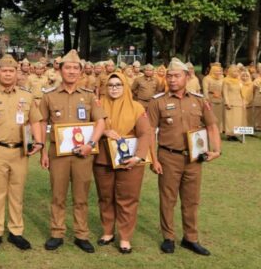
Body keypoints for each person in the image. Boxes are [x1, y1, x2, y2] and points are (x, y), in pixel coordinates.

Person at [147, 58, 221, 256]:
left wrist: (217, 150)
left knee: (191, 200)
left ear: (187, 77)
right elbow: (149, 132)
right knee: (168, 199)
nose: (172, 80)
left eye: (176, 76)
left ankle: (191, 238)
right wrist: (153, 159)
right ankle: (168, 237)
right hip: (168, 156)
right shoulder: (158, 101)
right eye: (169, 76)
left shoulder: (199, 100)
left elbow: (212, 125)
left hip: (195, 159)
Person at [38, 49, 106, 253]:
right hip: (57, 155)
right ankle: (57, 232)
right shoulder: (49, 96)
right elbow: (42, 123)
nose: (71, 71)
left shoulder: (89, 96)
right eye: (67, 67)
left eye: (76, 68)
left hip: (83, 155)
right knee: (58, 196)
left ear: (81, 72)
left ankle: (81, 234)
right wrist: (42, 151)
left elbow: (100, 122)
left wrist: (91, 144)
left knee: (81, 196)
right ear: (60, 70)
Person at [0, 54, 43, 250]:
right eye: (4, 70)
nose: (7, 74)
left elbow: (35, 121)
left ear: (16, 73)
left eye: (11, 71)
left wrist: (38, 142)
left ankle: (16, 231)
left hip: (20, 151)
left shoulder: (26, 95)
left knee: (17, 192)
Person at [93, 72, 151, 254]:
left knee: (127, 199)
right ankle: (108, 232)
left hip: (129, 160)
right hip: (103, 158)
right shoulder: (97, 105)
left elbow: (145, 133)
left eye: (118, 84)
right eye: (110, 85)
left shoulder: (137, 107)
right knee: (106, 197)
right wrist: (104, 132)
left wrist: (139, 156)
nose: (114, 88)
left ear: (125, 86)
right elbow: (88, 127)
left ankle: (125, 237)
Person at [222, 65, 246, 141]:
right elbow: (224, 92)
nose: (236, 73)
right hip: (230, 103)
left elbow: (242, 92)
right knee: (230, 119)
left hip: (238, 103)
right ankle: (229, 135)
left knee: (237, 119)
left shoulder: (239, 81)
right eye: (234, 71)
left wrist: (243, 102)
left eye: (237, 71)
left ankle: (235, 134)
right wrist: (227, 102)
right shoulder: (226, 80)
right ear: (230, 72)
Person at [202, 63, 224, 135]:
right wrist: (207, 99)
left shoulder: (222, 78)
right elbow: (205, 90)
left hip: (220, 99)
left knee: (219, 116)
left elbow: (224, 89)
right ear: (212, 71)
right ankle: (210, 131)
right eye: (216, 71)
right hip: (211, 99)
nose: (218, 72)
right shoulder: (207, 78)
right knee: (211, 116)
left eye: (219, 71)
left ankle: (219, 131)